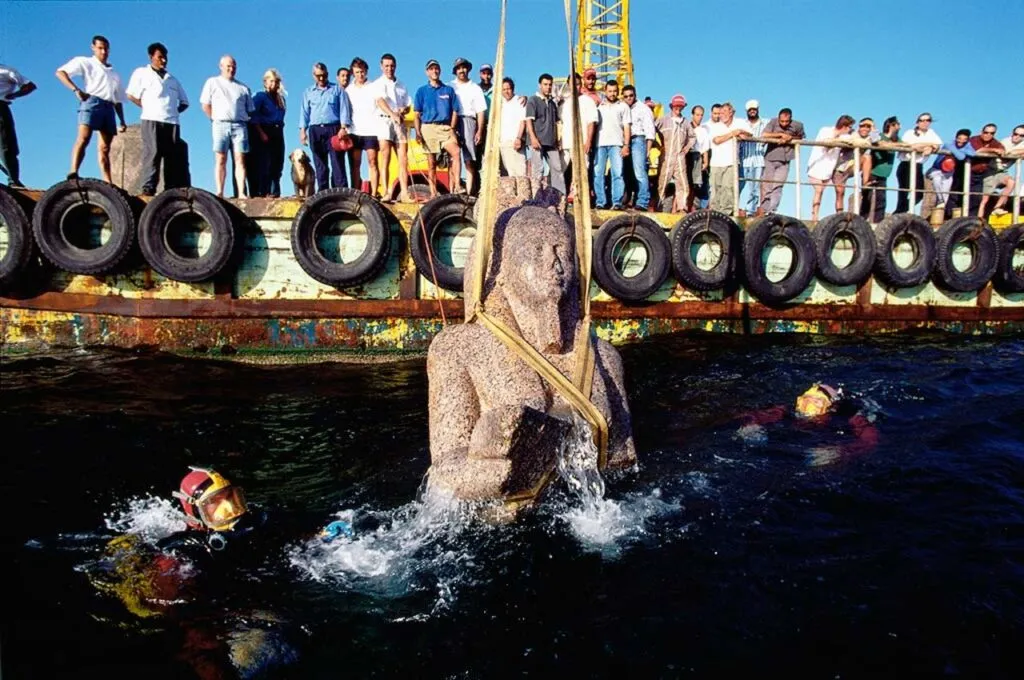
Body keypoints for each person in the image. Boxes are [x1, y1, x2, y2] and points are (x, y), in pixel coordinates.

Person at [739, 384, 879, 467]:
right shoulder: (787, 411)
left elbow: (870, 441)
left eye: (816, 402)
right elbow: (756, 415)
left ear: (831, 407)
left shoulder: (849, 417)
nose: (806, 407)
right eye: (804, 401)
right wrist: (751, 425)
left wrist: (840, 452)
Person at [56, 35, 128, 183]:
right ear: (93, 48)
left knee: (105, 149)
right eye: (100, 48)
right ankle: (73, 171)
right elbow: (60, 72)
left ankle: (108, 181)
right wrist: (75, 90)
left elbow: (118, 99)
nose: (103, 52)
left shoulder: (114, 73)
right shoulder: (85, 62)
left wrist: (122, 120)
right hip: (92, 101)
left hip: (108, 106)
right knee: (83, 138)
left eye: (106, 49)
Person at [126, 42, 189, 196]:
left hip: (172, 122)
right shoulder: (142, 73)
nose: (163, 60)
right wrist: (146, 106)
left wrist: (174, 111)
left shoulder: (172, 79)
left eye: (165, 57)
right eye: (160, 57)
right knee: (153, 153)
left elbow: (185, 102)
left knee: (172, 157)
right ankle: (148, 188)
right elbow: (131, 95)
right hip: (151, 119)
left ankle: (171, 189)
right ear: (151, 57)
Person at [199, 55, 255, 197]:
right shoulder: (212, 82)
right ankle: (220, 191)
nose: (231, 69)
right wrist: (214, 118)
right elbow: (205, 105)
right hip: (220, 124)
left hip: (239, 125)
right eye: (228, 66)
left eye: (234, 66)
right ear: (221, 66)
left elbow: (250, 110)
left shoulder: (243, 88)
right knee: (220, 158)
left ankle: (241, 192)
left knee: (240, 159)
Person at [298, 62, 352, 192]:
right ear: (313, 76)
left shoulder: (337, 90)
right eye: (318, 76)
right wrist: (302, 131)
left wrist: (343, 127)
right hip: (315, 130)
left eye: (324, 75)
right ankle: (323, 192)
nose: (321, 78)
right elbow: (304, 112)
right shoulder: (308, 92)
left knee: (337, 163)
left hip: (334, 129)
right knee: (320, 165)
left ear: (328, 74)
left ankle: (341, 192)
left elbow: (344, 109)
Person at [413, 58, 462, 197]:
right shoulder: (421, 91)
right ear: (427, 72)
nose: (434, 71)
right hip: (428, 127)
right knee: (431, 162)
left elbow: (455, 110)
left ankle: (457, 186)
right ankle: (433, 193)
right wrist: (417, 132)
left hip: (445, 127)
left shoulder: (448, 90)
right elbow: (417, 114)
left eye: (436, 68)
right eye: (431, 69)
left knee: (456, 153)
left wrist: (452, 128)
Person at [373, 53, 412, 202]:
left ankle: (404, 193)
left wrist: (403, 110)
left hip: (400, 123)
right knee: (385, 156)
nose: (390, 69)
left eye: (392, 66)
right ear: (382, 67)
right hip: (385, 121)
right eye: (387, 66)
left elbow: (408, 104)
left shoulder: (402, 84)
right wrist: (392, 114)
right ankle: (387, 192)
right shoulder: (378, 83)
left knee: (403, 158)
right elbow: (380, 101)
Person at [449, 57, 487, 196]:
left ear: (468, 69)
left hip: (469, 121)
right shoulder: (450, 86)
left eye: (464, 67)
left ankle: (470, 193)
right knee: (453, 157)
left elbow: (480, 111)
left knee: (469, 160)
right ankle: (453, 191)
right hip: (453, 121)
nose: (461, 70)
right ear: (455, 71)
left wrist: (479, 131)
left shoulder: (475, 88)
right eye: (459, 68)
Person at [559, 72, 598, 203]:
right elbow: (560, 123)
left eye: (577, 84)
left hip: (581, 143)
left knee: (581, 170)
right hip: (566, 143)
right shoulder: (564, 104)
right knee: (561, 169)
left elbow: (591, 122)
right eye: (572, 84)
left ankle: (580, 197)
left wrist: (588, 141)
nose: (575, 86)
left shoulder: (588, 101)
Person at [806, 115, 854, 221]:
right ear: (845, 126)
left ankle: (834, 214)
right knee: (818, 190)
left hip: (828, 169)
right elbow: (826, 144)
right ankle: (814, 216)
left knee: (824, 191)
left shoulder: (845, 137)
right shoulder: (825, 130)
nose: (850, 130)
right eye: (850, 127)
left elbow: (854, 141)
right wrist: (839, 141)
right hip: (816, 166)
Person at [707, 102, 752, 216]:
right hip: (716, 163)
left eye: (724, 112)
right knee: (715, 189)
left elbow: (749, 135)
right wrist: (732, 134)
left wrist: (741, 132)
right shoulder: (716, 126)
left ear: (731, 112)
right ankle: (715, 213)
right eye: (720, 113)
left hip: (731, 162)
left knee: (728, 189)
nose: (721, 115)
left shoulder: (740, 122)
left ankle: (725, 214)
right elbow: (716, 140)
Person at [525, 73, 566, 196]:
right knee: (538, 170)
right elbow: (529, 120)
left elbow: (556, 123)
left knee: (557, 168)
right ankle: (536, 196)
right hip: (537, 141)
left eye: (550, 85)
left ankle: (559, 196)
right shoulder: (533, 100)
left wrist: (558, 140)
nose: (548, 87)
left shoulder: (553, 104)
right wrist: (533, 138)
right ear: (540, 85)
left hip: (551, 142)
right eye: (545, 84)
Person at [759, 107, 805, 215]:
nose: (784, 124)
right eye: (782, 121)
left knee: (778, 186)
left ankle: (772, 210)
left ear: (791, 119)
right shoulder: (773, 122)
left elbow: (801, 137)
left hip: (785, 159)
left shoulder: (798, 125)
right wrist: (780, 135)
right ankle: (765, 209)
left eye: (786, 121)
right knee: (767, 185)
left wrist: (790, 138)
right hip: (770, 158)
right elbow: (764, 134)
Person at [920, 129, 974, 220]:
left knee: (945, 195)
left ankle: (937, 220)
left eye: (964, 139)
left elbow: (973, 153)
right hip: (936, 169)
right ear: (956, 138)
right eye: (959, 138)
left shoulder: (966, 145)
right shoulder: (949, 144)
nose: (961, 141)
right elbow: (961, 157)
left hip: (948, 173)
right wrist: (963, 152)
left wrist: (964, 149)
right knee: (935, 184)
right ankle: (926, 219)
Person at [654, 93, 695, 213]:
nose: (678, 108)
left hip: (679, 157)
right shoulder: (663, 120)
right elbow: (652, 130)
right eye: (676, 106)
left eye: (680, 106)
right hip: (666, 156)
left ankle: (682, 207)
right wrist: (657, 145)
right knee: (662, 183)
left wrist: (687, 148)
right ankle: (659, 206)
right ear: (671, 106)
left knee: (682, 183)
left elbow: (692, 137)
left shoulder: (685, 122)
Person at [594, 79, 631, 209]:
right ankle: (600, 201)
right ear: (605, 91)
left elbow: (627, 126)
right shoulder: (599, 107)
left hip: (616, 144)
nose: (612, 94)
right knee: (598, 173)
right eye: (610, 91)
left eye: (615, 91)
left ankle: (617, 202)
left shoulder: (623, 106)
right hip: (600, 144)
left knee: (617, 173)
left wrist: (626, 145)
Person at [895, 112, 941, 215]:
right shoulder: (910, 133)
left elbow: (938, 145)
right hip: (906, 164)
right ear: (917, 122)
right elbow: (912, 146)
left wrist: (932, 147)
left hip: (918, 166)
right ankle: (898, 213)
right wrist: (929, 144)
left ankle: (899, 212)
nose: (925, 123)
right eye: (922, 120)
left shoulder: (931, 133)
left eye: (927, 120)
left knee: (919, 193)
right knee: (904, 192)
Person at [346, 57, 380, 196]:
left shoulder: (373, 86)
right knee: (355, 164)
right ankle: (355, 191)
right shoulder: (349, 90)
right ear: (353, 73)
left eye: (362, 72)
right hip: (354, 130)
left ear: (366, 71)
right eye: (357, 72)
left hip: (371, 130)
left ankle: (373, 192)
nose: (360, 75)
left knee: (372, 161)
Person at [250, 68, 287, 197]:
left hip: (278, 131)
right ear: (265, 82)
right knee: (266, 163)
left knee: (278, 162)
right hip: (265, 130)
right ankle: (264, 191)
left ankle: (275, 192)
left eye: (276, 82)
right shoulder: (260, 97)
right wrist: (261, 133)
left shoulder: (280, 99)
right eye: (271, 81)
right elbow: (253, 116)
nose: (273, 84)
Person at [0, 63, 37, 187]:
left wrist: (15, 95)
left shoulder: (7, 71)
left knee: (6, 147)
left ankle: (13, 180)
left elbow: (29, 86)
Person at [860, 116, 900, 222]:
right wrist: (872, 126)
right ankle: (861, 220)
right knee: (867, 198)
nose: (899, 126)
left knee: (881, 200)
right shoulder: (880, 136)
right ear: (891, 125)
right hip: (872, 171)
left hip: (884, 174)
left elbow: (906, 145)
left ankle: (878, 222)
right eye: (897, 124)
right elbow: (875, 141)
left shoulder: (896, 139)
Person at [621, 84, 654, 210]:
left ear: (635, 95)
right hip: (625, 141)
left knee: (640, 172)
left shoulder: (643, 109)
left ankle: (643, 201)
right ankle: (626, 199)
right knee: (626, 172)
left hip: (638, 139)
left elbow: (650, 131)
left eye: (631, 96)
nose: (628, 98)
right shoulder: (623, 108)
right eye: (626, 96)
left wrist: (647, 149)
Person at [737, 99, 768, 217]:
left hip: (758, 159)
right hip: (744, 159)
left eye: (754, 109)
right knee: (739, 186)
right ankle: (736, 208)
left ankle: (751, 211)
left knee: (754, 188)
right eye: (750, 110)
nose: (752, 112)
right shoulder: (742, 123)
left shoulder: (765, 123)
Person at [497, 77, 527, 178]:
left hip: (515, 142)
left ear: (513, 89)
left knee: (520, 173)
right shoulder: (500, 103)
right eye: (504, 89)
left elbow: (523, 121)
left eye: (508, 89)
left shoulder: (519, 101)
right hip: (503, 142)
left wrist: (518, 138)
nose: (506, 91)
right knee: (509, 173)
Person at [689, 105, 710, 211]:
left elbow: (705, 147)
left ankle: (693, 207)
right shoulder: (686, 126)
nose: (699, 117)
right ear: (692, 115)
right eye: (697, 115)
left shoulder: (703, 130)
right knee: (685, 184)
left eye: (701, 115)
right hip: (687, 155)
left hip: (697, 156)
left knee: (695, 184)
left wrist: (706, 161)